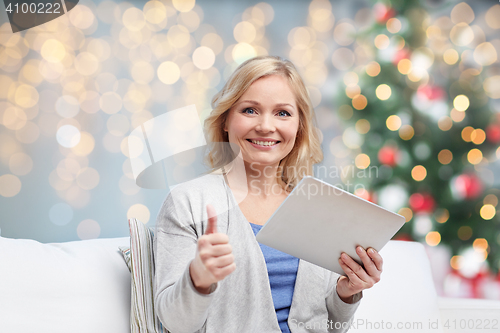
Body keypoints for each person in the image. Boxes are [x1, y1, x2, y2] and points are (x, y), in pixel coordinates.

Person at [153, 56, 383, 333]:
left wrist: (346, 293)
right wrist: (198, 279)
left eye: (283, 113)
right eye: (250, 110)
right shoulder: (189, 203)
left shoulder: (316, 207)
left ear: (299, 127)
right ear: (226, 120)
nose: (265, 126)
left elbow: (333, 327)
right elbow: (175, 324)